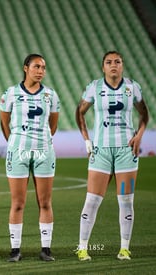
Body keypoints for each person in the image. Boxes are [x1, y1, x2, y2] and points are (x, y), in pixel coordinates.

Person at [75, 51, 149, 261]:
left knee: (126, 200)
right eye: (109, 62)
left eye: (117, 62)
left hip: (127, 151)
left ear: (122, 66)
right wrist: (87, 140)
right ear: (103, 67)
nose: (113, 65)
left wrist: (139, 136)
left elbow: (145, 113)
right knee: (92, 200)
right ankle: (82, 248)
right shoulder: (94, 87)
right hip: (101, 152)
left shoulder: (132, 87)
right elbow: (79, 112)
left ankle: (124, 248)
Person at [0, 54, 60, 262]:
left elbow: (53, 125)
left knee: (44, 201)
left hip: (44, 150)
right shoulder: (11, 93)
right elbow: (4, 123)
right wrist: (17, 141)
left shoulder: (51, 95)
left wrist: (39, 140)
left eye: (43, 67)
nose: (41, 71)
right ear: (26, 68)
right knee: (18, 202)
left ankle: (46, 249)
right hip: (18, 151)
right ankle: (15, 250)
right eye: (36, 66)